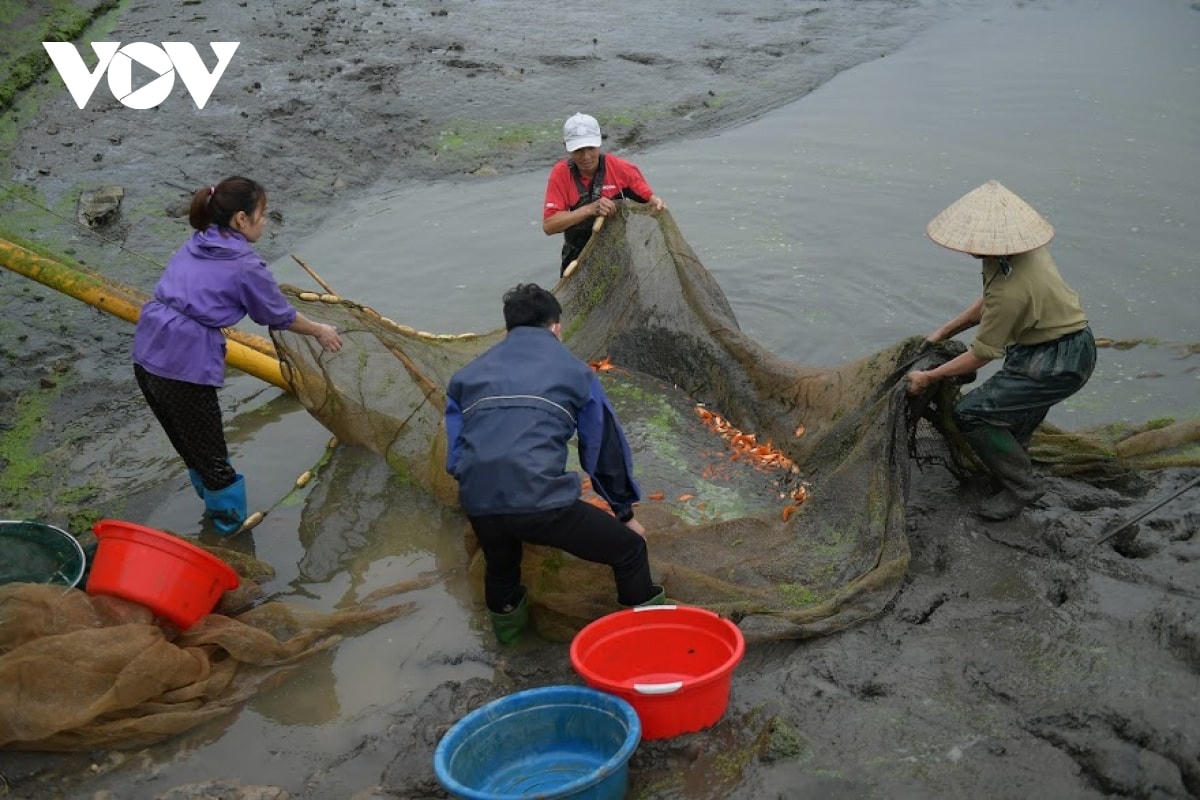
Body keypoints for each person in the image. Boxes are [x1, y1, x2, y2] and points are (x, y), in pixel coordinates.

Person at [444, 283, 663, 643]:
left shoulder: (466, 376)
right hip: (541, 506)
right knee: (630, 551)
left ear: (507, 330)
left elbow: (457, 456)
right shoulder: (576, 372)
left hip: (479, 503)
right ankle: (647, 642)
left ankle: (510, 649)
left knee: (501, 570)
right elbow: (603, 450)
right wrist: (625, 514)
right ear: (556, 327)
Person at [132, 176, 342, 534]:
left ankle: (210, 519)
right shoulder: (246, 265)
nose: (265, 221)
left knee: (190, 446)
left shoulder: (199, 240)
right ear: (241, 220)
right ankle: (230, 535)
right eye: (262, 214)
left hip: (147, 349)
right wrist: (322, 330)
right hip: (184, 363)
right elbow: (277, 315)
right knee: (214, 459)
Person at [906, 180, 1096, 521]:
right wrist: (943, 331)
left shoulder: (1013, 289)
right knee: (1013, 417)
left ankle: (1023, 486)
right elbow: (988, 302)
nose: (968, 247)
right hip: (1045, 346)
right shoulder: (1016, 253)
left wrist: (928, 376)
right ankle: (1010, 470)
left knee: (971, 413)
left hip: (1058, 362)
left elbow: (982, 353)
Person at [542, 112, 666, 275]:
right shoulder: (560, 174)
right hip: (577, 260)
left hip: (618, 256)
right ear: (566, 146)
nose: (586, 156)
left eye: (591, 148)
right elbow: (549, 226)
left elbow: (651, 202)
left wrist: (657, 203)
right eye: (578, 150)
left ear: (599, 143)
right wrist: (589, 209)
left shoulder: (622, 169)